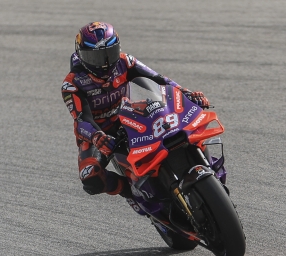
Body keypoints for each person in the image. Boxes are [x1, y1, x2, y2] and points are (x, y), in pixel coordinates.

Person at [61, 22, 210, 198]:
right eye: (96, 58)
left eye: (109, 54)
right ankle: (133, 193)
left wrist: (186, 93)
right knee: (90, 177)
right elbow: (81, 120)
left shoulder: (126, 62)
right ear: (81, 55)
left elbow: (159, 79)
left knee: (179, 126)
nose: (105, 64)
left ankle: (206, 164)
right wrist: (96, 136)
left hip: (131, 116)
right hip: (100, 132)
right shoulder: (72, 84)